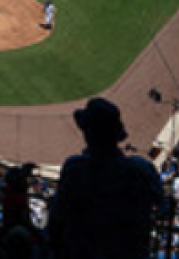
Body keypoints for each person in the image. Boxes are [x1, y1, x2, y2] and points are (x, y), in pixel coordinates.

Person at [48, 97, 164, 259]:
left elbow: (57, 221)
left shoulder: (74, 169)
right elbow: (160, 202)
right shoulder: (141, 169)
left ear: (88, 134)